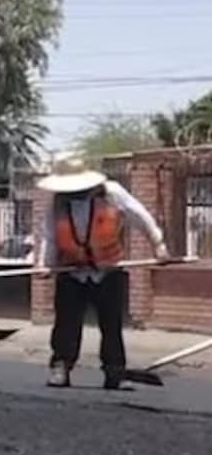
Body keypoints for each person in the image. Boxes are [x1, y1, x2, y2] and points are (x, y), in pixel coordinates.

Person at [36, 156, 173, 390]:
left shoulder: (112, 194)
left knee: (111, 324)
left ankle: (114, 372)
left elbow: (140, 216)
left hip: (108, 270)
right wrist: (44, 264)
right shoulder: (58, 203)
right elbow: (50, 236)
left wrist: (158, 245)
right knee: (66, 324)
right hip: (73, 271)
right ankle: (60, 367)